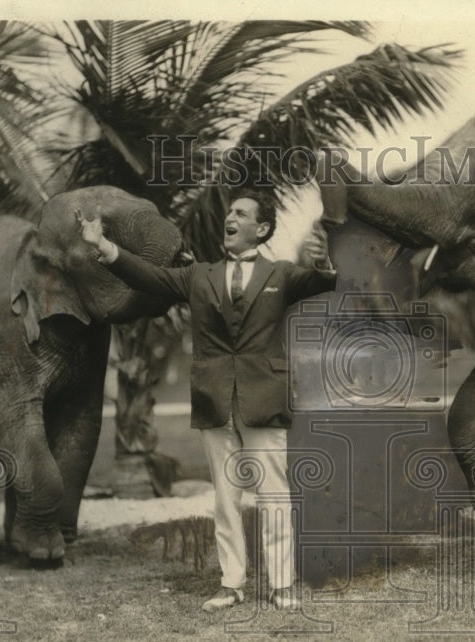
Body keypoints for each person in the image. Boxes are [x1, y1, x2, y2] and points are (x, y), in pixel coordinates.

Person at [77, 189, 336, 612]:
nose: (229, 218)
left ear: (262, 229)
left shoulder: (283, 275)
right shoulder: (199, 276)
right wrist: (103, 246)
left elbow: (321, 281)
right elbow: (147, 276)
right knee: (225, 499)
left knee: (274, 495)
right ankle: (231, 584)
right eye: (229, 212)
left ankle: (282, 584)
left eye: (240, 213)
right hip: (215, 400)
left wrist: (323, 261)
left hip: (264, 399)